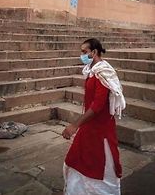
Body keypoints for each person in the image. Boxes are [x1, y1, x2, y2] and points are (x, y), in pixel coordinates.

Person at [62, 38, 126, 195]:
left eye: (84, 52)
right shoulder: (92, 70)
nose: (82, 55)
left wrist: (75, 125)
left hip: (100, 127)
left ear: (94, 52)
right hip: (89, 125)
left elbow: (97, 106)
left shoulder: (103, 73)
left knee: (99, 163)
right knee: (78, 159)